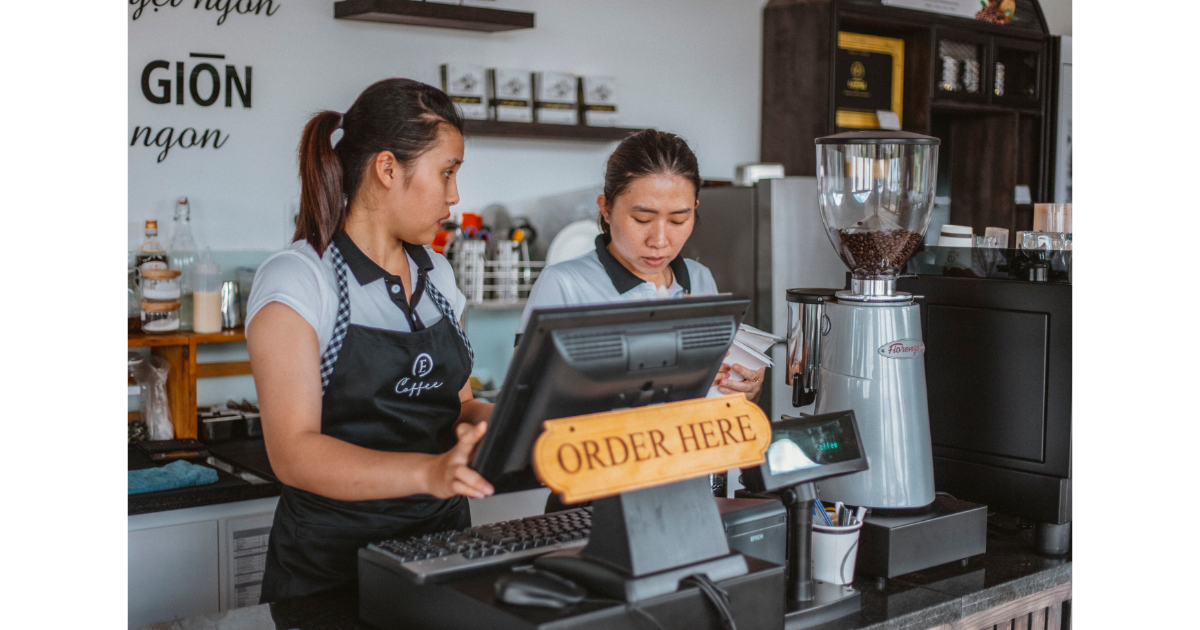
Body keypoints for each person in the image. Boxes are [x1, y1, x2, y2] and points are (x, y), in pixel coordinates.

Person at [245, 78, 494, 602]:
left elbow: (458, 404)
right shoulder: (299, 279)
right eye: (447, 172)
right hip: (331, 568)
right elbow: (293, 453)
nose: (454, 196)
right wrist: (429, 472)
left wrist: (507, 421)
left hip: (444, 549)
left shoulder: (440, 275)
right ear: (387, 169)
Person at [517, 129, 766, 401]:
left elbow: (711, 391)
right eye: (643, 220)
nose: (659, 241)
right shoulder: (563, 285)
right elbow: (526, 399)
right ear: (606, 209)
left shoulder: (699, 279)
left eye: (678, 221)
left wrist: (742, 387)